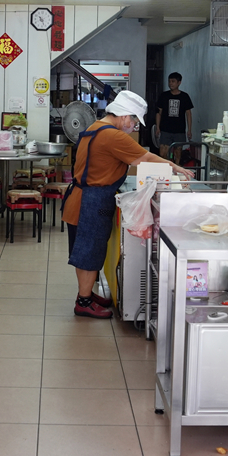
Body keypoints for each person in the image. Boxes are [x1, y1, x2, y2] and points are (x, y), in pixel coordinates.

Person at [62, 90, 195, 318]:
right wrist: (175, 166)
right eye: (134, 120)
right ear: (124, 116)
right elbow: (144, 157)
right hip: (92, 200)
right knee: (89, 251)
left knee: (88, 249)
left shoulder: (94, 128)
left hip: (82, 198)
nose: (133, 126)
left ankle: (84, 294)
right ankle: (83, 301)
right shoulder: (112, 135)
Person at [156, 72, 194, 158]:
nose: (170, 84)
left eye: (173, 81)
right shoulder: (164, 95)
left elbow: (188, 114)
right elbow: (159, 113)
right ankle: (166, 168)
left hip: (179, 129)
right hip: (165, 129)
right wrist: (158, 127)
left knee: (178, 151)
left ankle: (176, 168)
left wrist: (189, 130)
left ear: (179, 82)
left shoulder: (184, 96)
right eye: (169, 81)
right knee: (162, 152)